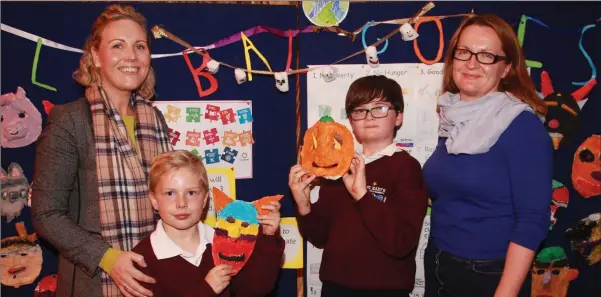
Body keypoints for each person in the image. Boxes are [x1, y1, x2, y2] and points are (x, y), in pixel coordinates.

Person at [31, 5, 172, 297]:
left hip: (158, 277)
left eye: (140, 46)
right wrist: (108, 259)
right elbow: (46, 214)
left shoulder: (155, 121)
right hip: (94, 284)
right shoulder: (70, 120)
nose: (131, 56)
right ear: (95, 56)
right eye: (117, 46)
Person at [422, 14, 552, 297]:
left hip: (488, 274)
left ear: (506, 69)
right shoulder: (452, 117)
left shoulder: (521, 127)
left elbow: (532, 221)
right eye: (464, 52)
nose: (471, 63)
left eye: (486, 56)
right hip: (438, 262)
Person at [289, 75, 428, 297]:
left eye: (380, 108)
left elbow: (401, 242)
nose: (369, 117)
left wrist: (362, 194)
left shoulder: (406, 167)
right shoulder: (339, 166)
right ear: (351, 121)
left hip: (385, 290)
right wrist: (304, 204)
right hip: (335, 288)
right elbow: (320, 237)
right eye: (359, 110)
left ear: (398, 117)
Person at [131, 150, 285, 297]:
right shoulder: (142, 259)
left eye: (191, 193)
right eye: (170, 193)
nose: (181, 203)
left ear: (205, 199)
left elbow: (255, 290)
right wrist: (207, 290)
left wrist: (268, 237)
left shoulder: (225, 241)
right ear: (154, 200)